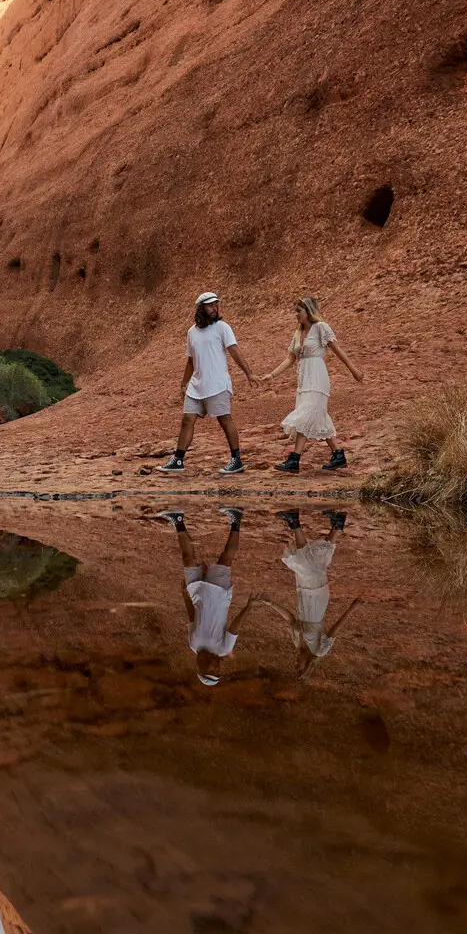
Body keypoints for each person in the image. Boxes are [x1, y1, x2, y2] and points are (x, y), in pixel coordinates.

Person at [157, 291, 259, 475]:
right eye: (210, 305)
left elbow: (234, 351)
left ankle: (236, 460)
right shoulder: (191, 332)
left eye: (216, 305)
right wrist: (183, 383)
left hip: (217, 384)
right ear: (201, 308)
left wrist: (248, 374)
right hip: (196, 385)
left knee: (224, 419)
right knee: (187, 420)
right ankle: (178, 460)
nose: (214, 308)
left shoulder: (222, 328)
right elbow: (190, 360)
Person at [158, 507, 259, 684]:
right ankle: (236, 520)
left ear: (202, 668)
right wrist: (249, 606)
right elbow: (235, 627)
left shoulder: (193, 645)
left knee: (188, 559)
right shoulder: (223, 649)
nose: (218, 667)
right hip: (218, 596)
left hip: (197, 596)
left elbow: (192, 617)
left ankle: (178, 520)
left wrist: (184, 595)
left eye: (214, 670)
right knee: (225, 558)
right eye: (218, 671)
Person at [262, 296, 363, 472]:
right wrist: (272, 375)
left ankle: (294, 460)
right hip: (304, 379)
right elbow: (289, 359)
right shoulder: (298, 333)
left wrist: (353, 370)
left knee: (306, 414)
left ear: (308, 311)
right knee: (318, 416)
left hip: (317, 377)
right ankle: (338, 455)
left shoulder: (320, 328)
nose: (296, 315)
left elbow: (337, 350)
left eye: (298, 311)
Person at [264, 509, 361, 678]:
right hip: (316, 601)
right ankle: (294, 522)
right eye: (299, 667)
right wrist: (352, 609)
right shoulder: (319, 651)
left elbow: (290, 619)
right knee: (305, 564)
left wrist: (271, 604)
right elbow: (335, 629)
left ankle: (338, 525)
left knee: (314, 564)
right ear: (307, 666)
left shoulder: (297, 644)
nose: (296, 663)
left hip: (303, 597)